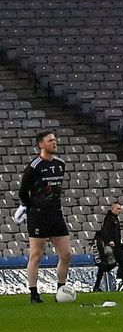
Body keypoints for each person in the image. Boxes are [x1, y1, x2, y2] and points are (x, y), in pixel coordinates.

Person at [16, 130, 70, 304]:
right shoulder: (34, 166)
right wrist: (31, 207)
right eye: (50, 140)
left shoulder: (61, 164)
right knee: (36, 255)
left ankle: (61, 290)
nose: (54, 142)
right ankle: (33, 293)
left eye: (55, 140)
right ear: (41, 144)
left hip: (56, 213)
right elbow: (23, 191)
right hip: (38, 215)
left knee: (66, 254)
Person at [93, 202, 123, 292]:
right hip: (113, 246)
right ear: (113, 209)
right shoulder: (109, 218)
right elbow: (105, 231)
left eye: (120, 208)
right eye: (118, 209)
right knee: (109, 266)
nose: (120, 210)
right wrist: (109, 241)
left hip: (116, 246)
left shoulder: (114, 218)